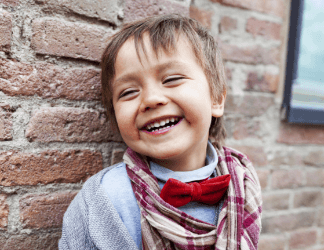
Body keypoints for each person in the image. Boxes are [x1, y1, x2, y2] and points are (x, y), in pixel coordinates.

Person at [59, 14, 262, 250]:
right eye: (128, 92)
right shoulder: (104, 200)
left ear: (216, 98)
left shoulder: (243, 182)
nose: (151, 99)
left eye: (172, 79)